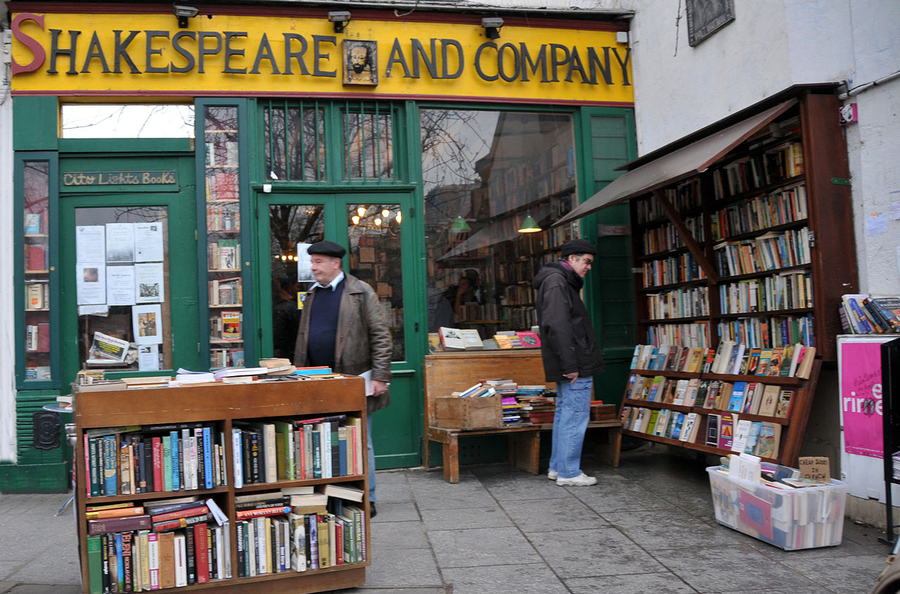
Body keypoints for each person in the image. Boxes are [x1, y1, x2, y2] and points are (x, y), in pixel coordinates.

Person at [293, 240, 392, 516]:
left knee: (362, 439)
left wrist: (381, 376)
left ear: (335, 263)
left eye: (318, 262)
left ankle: (366, 498)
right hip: (316, 381)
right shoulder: (312, 294)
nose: (313, 268)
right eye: (311, 262)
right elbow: (304, 338)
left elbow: (381, 336)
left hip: (355, 380)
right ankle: (333, 494)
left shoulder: (361, 291)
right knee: (322, 439)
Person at [532, 238, 605, 486]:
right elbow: (558, 326)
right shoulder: (558, 282)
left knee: (566, 416)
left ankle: (558, 467)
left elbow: (559, 325)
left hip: (571, 361)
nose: (589, 267)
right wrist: (571, 365)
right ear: (571, 259)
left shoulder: (558, 281)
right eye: (586, 261)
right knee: (574, 417)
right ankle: (569, 472)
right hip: (576, 364)